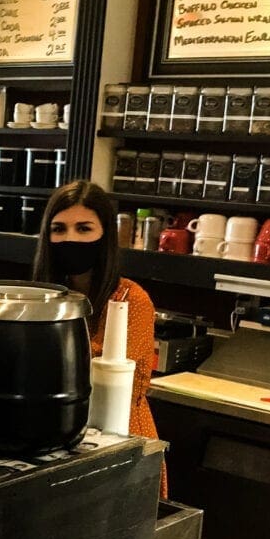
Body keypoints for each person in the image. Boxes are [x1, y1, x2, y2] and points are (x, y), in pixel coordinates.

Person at [32, 180, 167, 498]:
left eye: (83, 228)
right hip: (57, 440)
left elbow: (130, 384)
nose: (70, 238)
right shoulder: (44, 298)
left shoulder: (130, 299)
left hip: (119, 443)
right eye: (59, 228)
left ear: (105, 234)